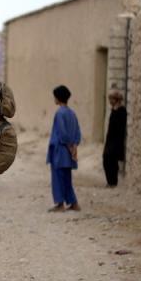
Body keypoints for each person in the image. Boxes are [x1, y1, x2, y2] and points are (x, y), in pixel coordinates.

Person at [47, 84, 81, 212]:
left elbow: (62, 134)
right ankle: (73, 203)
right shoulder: (72, 113)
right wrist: (74, 147)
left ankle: (60, 204)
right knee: (67, 178)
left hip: (60, 152)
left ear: (58, 98)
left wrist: (69, 147)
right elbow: (77, 132)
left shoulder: (59, 113)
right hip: (69, 152)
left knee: (58, 177)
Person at [103, 89, 127, 187]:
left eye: (111, 99)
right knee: (106, 159)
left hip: (116, 140)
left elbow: (120, 127)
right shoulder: (114, 110)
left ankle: (113, 182)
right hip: (110, 139)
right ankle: (110, 182)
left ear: (116, 99)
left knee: (111, 161)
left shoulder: (121, 111)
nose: (109, 101)